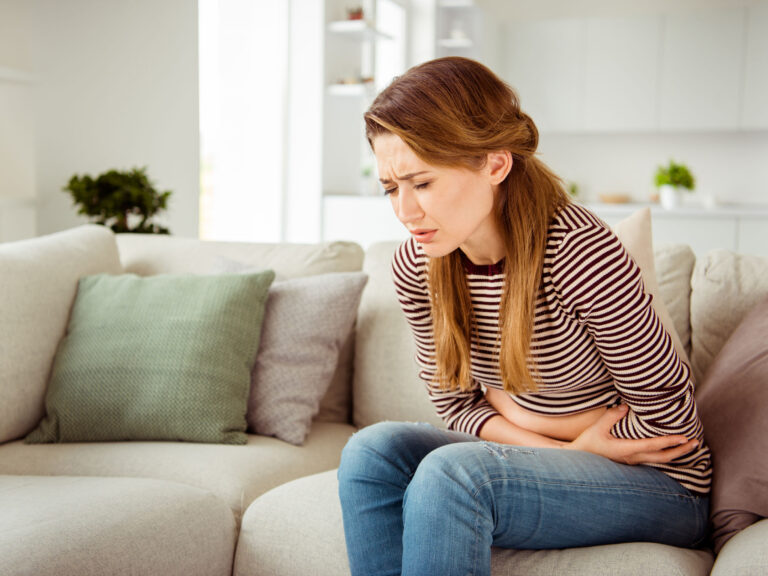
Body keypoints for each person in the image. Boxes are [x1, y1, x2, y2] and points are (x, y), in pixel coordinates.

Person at [336, 57, 711, 576]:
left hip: (664, 487)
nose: (405, 212)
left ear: (494, 163)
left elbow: (670, 423)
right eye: (391, 188)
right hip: (580, 457)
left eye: (421, 183)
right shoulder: (417, 265)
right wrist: (574, 440)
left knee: (455, 475)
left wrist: (513, 411)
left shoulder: (579, 254)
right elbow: (457, 409)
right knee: (371, 453)